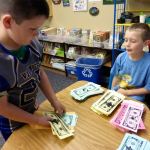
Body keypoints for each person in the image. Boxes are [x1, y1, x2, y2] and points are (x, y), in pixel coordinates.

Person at [0, 0, 65, 141]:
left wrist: (54, 100)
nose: (37, 35)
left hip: (33, 111)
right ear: (8, 22)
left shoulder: (32, 44)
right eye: (32, 29)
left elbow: (39, 72)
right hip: (13, 125)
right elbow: (3, 107)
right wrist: (36, 120)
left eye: (39, 28)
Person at [110, 23, 150, 102]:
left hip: (135, 97)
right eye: (126, 40)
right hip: (118, 93)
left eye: (133, 41)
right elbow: (116, 76)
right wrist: (111, 91)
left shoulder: (148, 62)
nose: (127, 44)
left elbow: (148, 88)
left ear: (145, 43)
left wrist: (126, 92)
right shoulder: (121, 57)